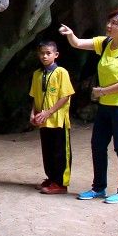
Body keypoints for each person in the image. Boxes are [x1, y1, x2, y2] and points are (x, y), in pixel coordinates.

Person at [58, 8, 118, 204]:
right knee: (98, 145)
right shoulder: (105, 43)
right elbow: (78, 43)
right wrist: (70, 34)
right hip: (106, 106)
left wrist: (102, 91)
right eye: (109, 21)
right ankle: (98, 188)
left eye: (114, 23)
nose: (109, 25)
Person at [29, 40, 75, 194]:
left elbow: (65, 96)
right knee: (48, 151)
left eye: (48, 53)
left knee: (60, 151)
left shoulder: (61, 72)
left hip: (58, 120)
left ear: (56, 55)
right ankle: (51, 178)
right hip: (44, 121)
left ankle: (60, 183)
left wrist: (48, 112)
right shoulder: (37, 74)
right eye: (42, 53)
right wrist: (33, 113)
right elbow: (35, 96)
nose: (45, 56)